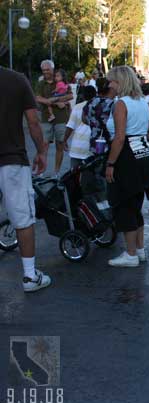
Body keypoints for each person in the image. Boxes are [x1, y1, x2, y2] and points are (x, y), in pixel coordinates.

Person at [0, 66, 50, 292]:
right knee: (22, 217)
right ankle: (30, 276)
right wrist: (41, 151)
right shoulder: (17, 80)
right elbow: (32, 121)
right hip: (11, 159)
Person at [104, 66, 149, 267]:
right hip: (144, 155)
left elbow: (118, 138)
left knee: (125, 204)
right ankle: (140, 250)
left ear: (120, 82)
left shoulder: (121, 104)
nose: (110, 85)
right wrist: (139, 138)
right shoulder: (143, 102)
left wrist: (111, 163)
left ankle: (130, 254)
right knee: (136, 205)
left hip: (126, 157)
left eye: (112, 81)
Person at [35, 60, 73, 176]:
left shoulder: (60, 80)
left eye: (47, 69)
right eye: (43, 70)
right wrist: (54, 102)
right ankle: (42, 171)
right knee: (44, 145)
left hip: (61, 118)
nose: (45, 72)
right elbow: (38, 98)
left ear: (52, 69)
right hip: (47, 118)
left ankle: (56, 172)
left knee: (60, 145)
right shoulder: (41, 83)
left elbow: (70, 95)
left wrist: (55, 100)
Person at [64, 86, 96, 167]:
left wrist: (64, 140)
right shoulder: (99, 106)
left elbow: (70, 127)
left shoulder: (77, 107)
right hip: (92, 148)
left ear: (83, 96)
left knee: (74, 175)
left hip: (77, 147)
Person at [84, 78, 115, 157]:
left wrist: (94, 123)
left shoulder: (90, 102)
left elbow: (83, 118)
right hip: (109, 142)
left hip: (95, 141)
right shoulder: (112, 104)